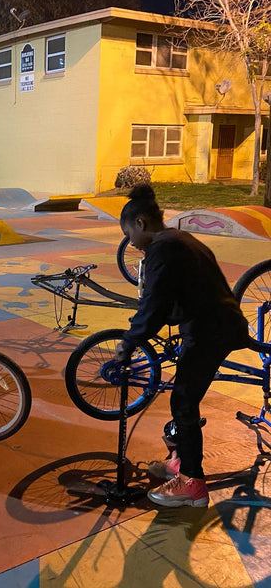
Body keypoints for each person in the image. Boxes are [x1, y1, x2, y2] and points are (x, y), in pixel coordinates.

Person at [115, 183, 249, 508]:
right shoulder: (178, 239)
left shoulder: (164, 249)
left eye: (128, 233)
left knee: (185, 404)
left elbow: (154, 306)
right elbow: (180, 293)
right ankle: (181, 462)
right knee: (182, 399)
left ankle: (192, 483)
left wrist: (129, 342)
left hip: (212, 332)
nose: (130, 242)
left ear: (141, 224)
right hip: (211, 325)